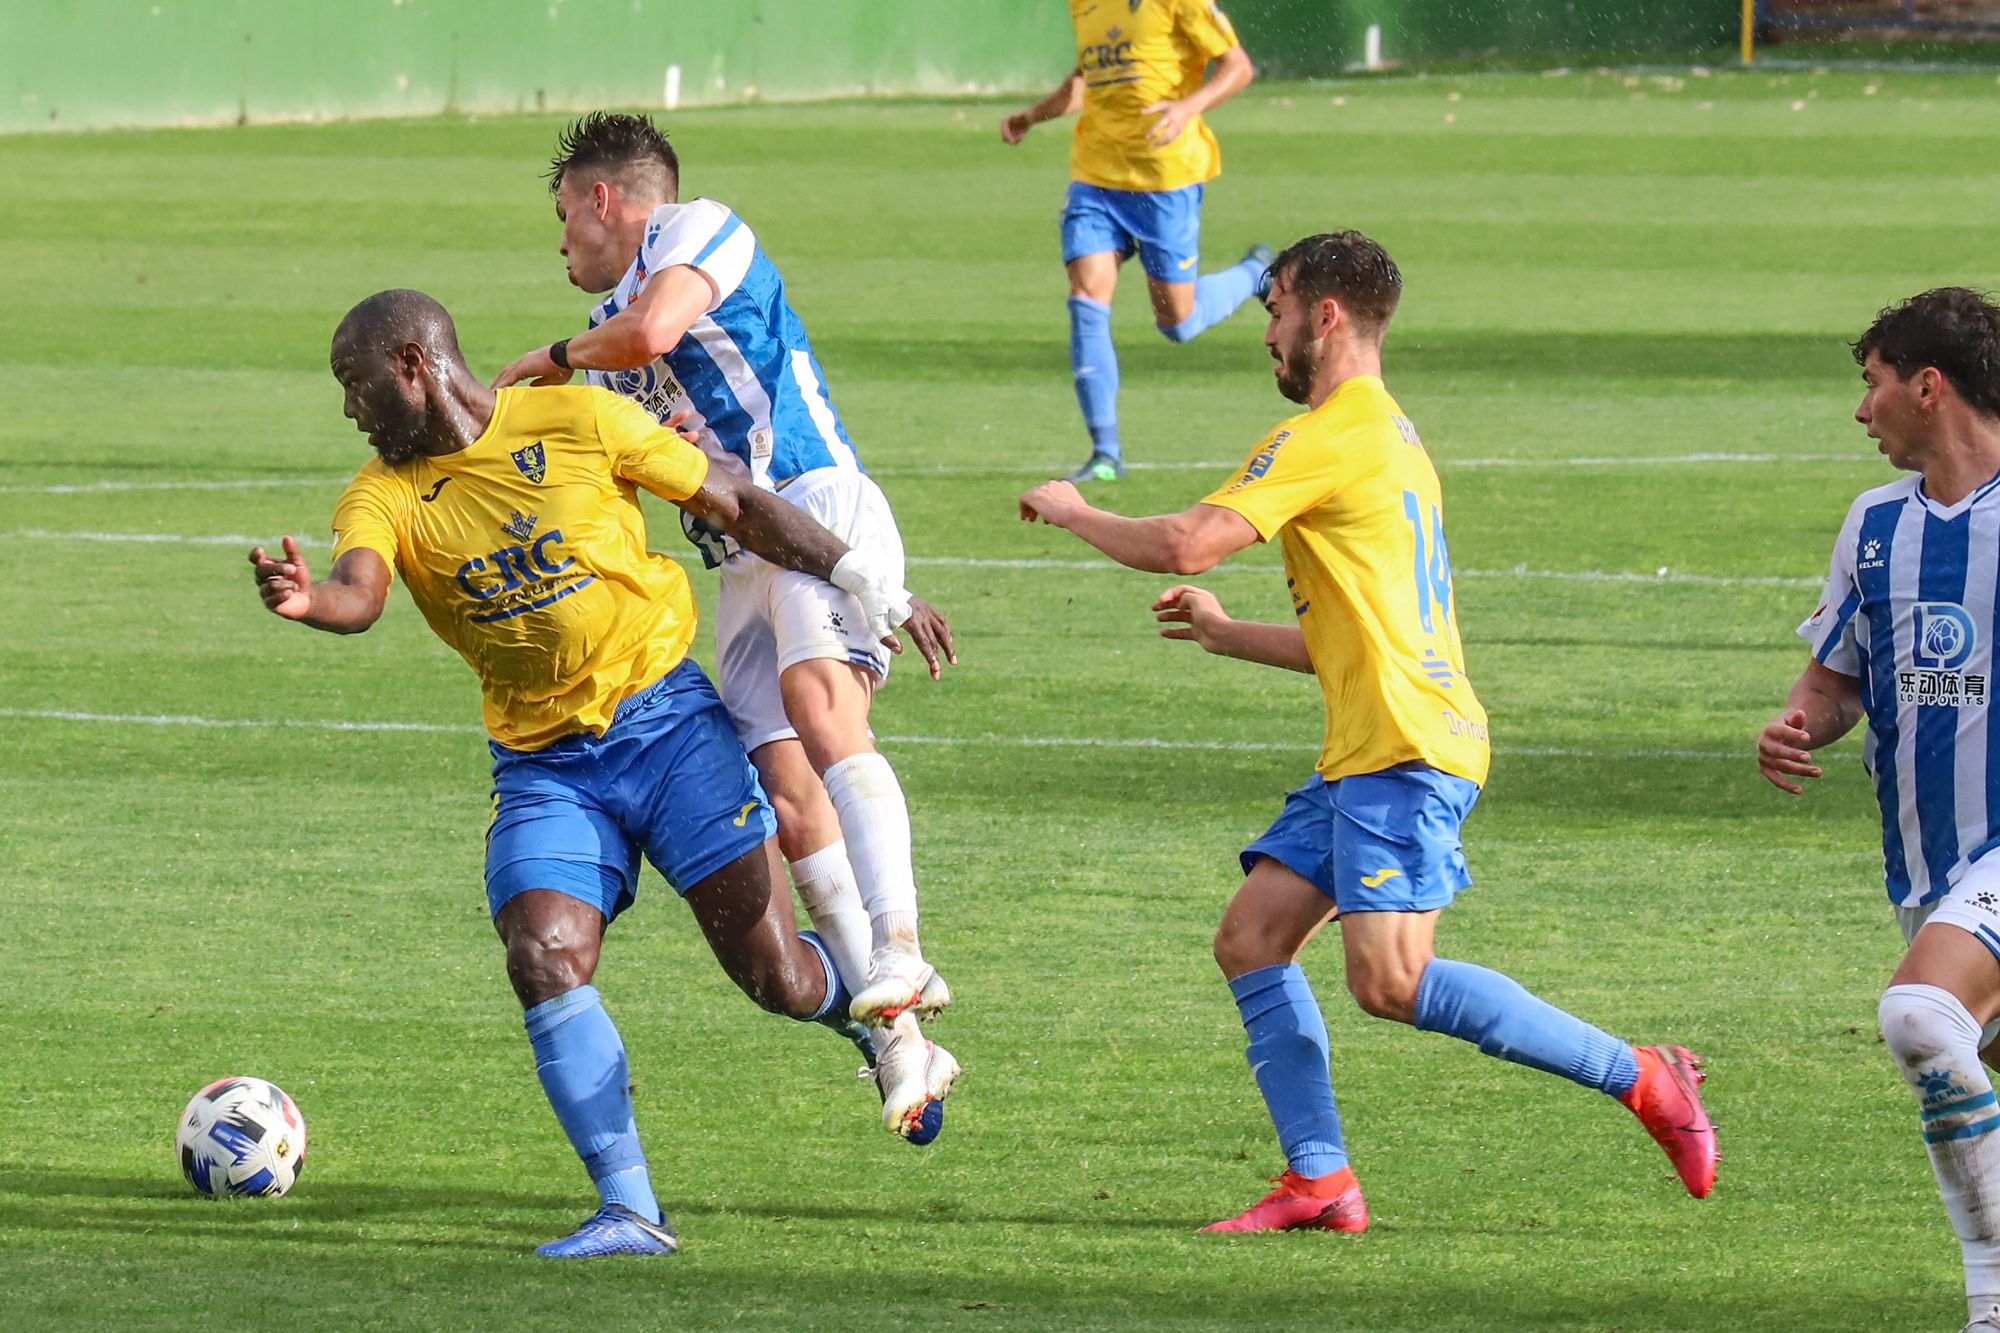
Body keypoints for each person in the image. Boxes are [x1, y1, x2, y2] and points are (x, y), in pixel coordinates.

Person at [1017, 231, 1718, 1231]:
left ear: (1325, 314)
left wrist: (1077, 510)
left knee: (1387, 981)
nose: (1266, 331)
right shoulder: (1387, 436)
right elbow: (1348, 640)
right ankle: (1318, 1179)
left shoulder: (1328, 433)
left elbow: (1187, 543)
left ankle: (1642, 1076)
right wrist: (1226, 638)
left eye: (1274, 309)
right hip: (1374, 741)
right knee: (1251, 937)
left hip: (1402, 749)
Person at [250, 290, 954, 1257]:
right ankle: (630, 1209)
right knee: (541, 953)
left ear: (412, 363)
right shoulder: (382, 492)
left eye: (354, 382)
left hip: (668, 729)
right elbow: (361, 592)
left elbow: (737, 503)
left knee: (778, 978)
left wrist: (873, 584)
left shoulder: (577, 416)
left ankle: (887, 1030)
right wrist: (313, 600)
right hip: (546, 767)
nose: (348, 407)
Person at [490, 113, 959, 1139]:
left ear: (605, 199)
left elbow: (656, 332)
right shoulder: (608, 335)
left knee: (818, 705)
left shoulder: (696, 231)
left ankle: (896, 949)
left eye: (566, 215)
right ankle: (900, 1042)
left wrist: (550, 353)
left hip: (812, 500)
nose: (561, 239)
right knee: (789, 801)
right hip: (739, 561)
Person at [1758, 288, 2000, 1333]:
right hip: (1924, 868)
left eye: (1870, 384)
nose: (1862, 411)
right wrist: (1795, 723)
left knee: (1914, 1015)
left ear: (1925, 384)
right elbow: (1834, 682)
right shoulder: (1872, 527)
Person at [1000, 0, 1270, 482]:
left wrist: (1188, 107)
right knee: (1086, 295)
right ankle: (1106, 453)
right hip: (1096, 176)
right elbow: (1086, 78)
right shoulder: (1084, 5)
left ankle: (1255, 273)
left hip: (1166, 180)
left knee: (1177, 323)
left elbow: (1238, 66)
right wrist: (1031, 116)